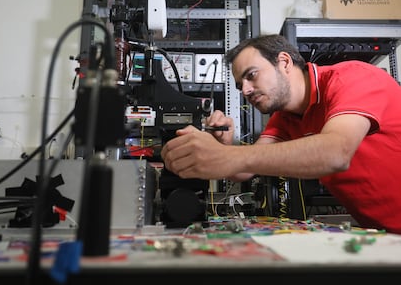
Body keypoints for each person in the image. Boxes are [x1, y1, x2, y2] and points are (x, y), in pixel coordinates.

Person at [160, 34, 401, 235]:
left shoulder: (353, 77)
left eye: (251, 75)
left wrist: (227, 155)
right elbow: (246, 169)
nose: (245, 90)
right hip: (384, 233)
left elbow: (336, 153)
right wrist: (224, 144)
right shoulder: (285, 118)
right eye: (240, 84)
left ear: (284, 62)